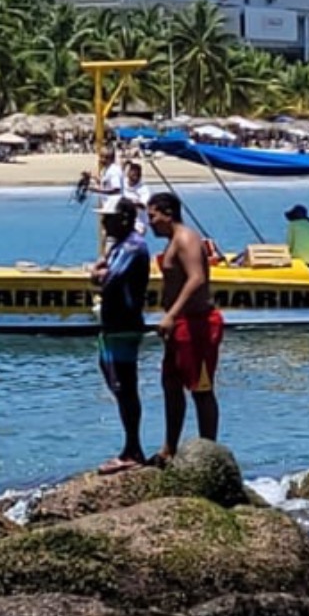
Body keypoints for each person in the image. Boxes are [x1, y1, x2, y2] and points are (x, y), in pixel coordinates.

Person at [148, 189, 224, 454]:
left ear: (168, 214)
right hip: (179, 325)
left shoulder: (186, 238)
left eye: (152, 216)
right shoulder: (171, 242)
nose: (149, 222)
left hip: (197, 324)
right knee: (170, 384)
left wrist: (171, 314)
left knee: (200, 388)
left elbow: (197, 278)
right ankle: (169, 447)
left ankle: (209, 449)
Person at [93, 195, 156, 463]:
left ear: (125, 219)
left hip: (124, 323)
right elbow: (101, 276)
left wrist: (97, 275)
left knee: (125, 386)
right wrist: (98, 274)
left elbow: (110, 280)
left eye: (109, 218)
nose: (104, 224)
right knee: (115, 383)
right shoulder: (118, 246)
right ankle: (130, 446)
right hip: (111, 324)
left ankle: (133, 448)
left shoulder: (133, 247)